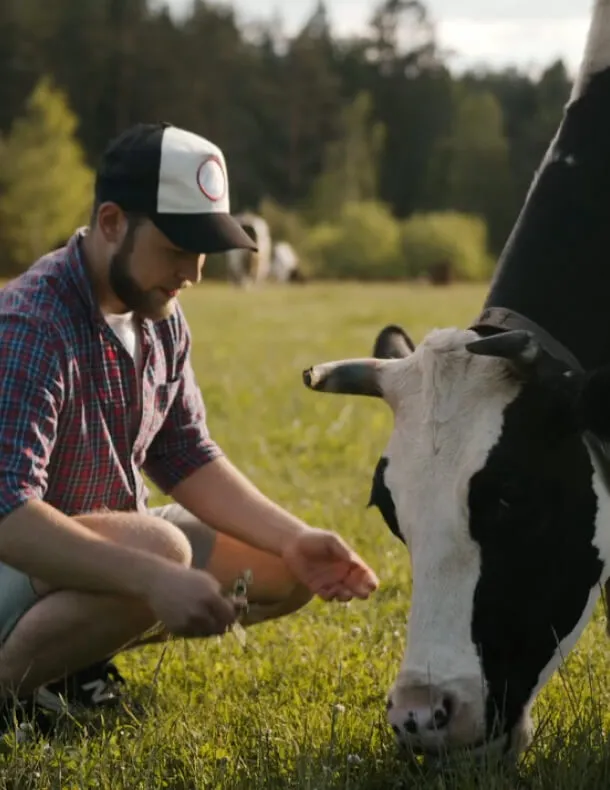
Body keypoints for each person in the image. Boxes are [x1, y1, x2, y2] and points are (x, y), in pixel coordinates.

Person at [0, 122, 379, 737]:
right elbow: (7, 514)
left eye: (205, 249)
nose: (195, 273)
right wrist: (154, 578)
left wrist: (294, 536)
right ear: (112, 222)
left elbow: (184, 453)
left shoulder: (159, 315)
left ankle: (69, 664)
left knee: (283, 568)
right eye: (178, 247)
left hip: (89, 554)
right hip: (15, 562)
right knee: (161, 550)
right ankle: (12, 686)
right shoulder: (32, 324)